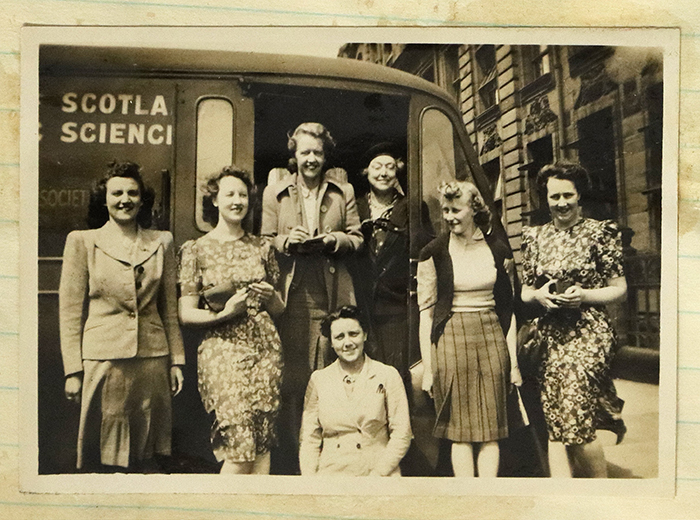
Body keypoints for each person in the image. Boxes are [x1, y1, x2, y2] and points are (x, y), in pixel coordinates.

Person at [59, 161, 185, 472]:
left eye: (132, 193)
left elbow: (169, 307)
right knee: (103, 455)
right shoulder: (83, 242)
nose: (124, 199)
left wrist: (177, 360)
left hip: (153, 361)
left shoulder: (162, 242)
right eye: (116, 193)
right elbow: (71, 311)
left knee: (146, 456)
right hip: (105, 361)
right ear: (104, 199)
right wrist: (72, 370)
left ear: (142, 199)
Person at [261, 122, 363, 474]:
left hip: (329, 297)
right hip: (291, 299)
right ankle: (293, 460)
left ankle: (324, 460)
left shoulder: (342, 192)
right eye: (304, 152)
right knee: (293, 381)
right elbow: (263, 239)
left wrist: (335, 240)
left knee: (325, 381)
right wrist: (286, 241)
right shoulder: (274, 193)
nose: (311, 159)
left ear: (325, 155)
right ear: (294, 154)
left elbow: (358, 238)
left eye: (317, 153)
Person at [520, 162, 627, 478]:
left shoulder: (599, 233)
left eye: (568, 195)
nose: (561, 203)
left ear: (580, 196)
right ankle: (563, 498)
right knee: (556, 421)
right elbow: (525, 291)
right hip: (549, 334)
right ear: (546, 198)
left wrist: (584, 296)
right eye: (554, 196)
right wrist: (540, 296)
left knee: (575, 417)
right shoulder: (535, 238)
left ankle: (599, 494)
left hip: (589, 331)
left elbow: (619, 289)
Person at [178, 166, 285, 475]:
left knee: (262, 446)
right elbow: (185, 313)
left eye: (242, 195)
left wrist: (269, 297)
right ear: (215, 200)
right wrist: (224, 313)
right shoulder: (196, 250)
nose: (237, 201)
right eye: (229, 194)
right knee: (239, 450)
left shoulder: (262, 247)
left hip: (265, 350)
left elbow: (278, 309)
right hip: (221, 351)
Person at [417, 180, 522, 477]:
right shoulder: (432, 252)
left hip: (491, 337)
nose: (449, 217)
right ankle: (467, 498)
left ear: (474, 209)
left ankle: (486, 497)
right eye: (445, 210)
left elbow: (507, 310)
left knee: (490, 429)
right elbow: (426, 313)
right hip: (451, 338)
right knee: (460, 431)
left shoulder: (499, 250)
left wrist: (512, 363)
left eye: (456, 210)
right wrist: (428, 367)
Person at [299, 305, 412, 476]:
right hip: (332, 475)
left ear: (365, 334)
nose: (348, 343)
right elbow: (309, 438)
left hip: (378, 473)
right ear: (331, 342)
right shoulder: (319, 379)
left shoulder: (387, 375)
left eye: (354, 334)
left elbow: (402, 434)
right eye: (339, 337)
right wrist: (311, 480)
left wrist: (379, 473)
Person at [355, 142, 433, 379]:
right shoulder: (355, 207)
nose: (383, 173)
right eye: (377, 167)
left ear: (397, 171)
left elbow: (426, 249)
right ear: (366, 172)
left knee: (394, 371)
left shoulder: (412, 207)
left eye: (389, 167)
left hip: (396, 307)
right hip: (361, 304)